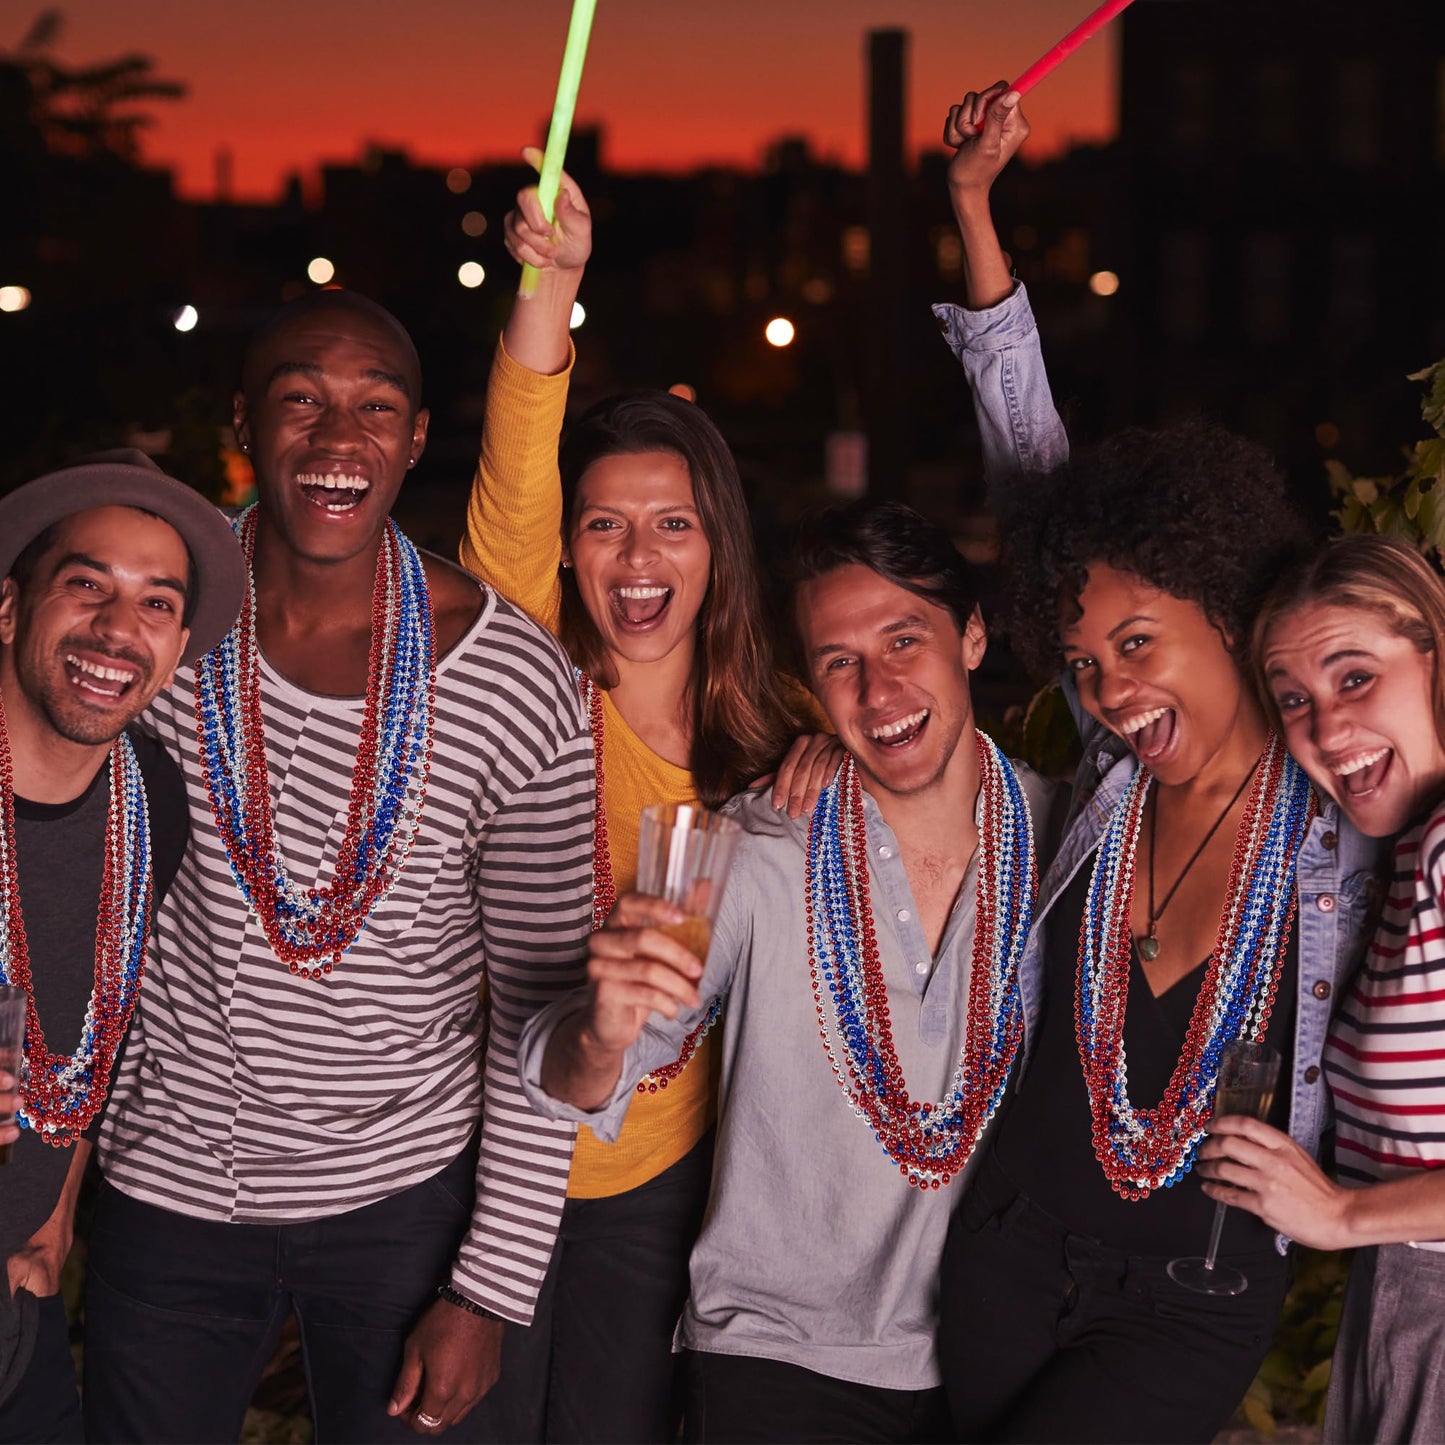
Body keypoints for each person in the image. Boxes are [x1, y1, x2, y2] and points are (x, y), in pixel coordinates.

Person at [931, 84, 1380, 1442]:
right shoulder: (1105, 794)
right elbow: (1034, 484)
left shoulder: (1341, 819)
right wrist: (970, 209)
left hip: (1196, 1282)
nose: (1111, 691)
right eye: (1083, 665)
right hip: (1006, 1249)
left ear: (1227, 611)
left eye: (1138, 642)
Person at [81, 292, 597, 1443]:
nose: (334, 437)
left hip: (401, 1198)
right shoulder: (151, 619)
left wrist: (486, 1288)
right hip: (166, 1182)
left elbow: (539, 1005)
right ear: (246, 422)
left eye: (375, 408)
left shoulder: (514, 678)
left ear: (415, 440)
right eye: (300, 399)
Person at [519, 499, 1060, 1445]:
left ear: (972, 635)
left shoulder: (1074, 844)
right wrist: (600, 1029)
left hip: (996, 1357)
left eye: (904, 641)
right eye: (838, 662)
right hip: (774, 1362)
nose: (878, 690)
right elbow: (571, 1082)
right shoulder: (758, 844)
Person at [457, 155, 829, 1441]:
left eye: (671, 523)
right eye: (604, 524)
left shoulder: (778, 737)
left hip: (657, 1185)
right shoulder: (530, 676)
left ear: (715, 539)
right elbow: (515, 463)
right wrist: (551, 282)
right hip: (490, 1158)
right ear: (566, 547)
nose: (636, 555)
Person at [0, 450, 245, 1443]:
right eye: (86, 585)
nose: (115, 628)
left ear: (180, 642)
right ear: (9, 607)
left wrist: (57, 1194)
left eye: (154, 603)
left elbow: (103, 1010)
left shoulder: (151, 799)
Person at [1198, 536, 1445, 1443]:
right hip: (1395, 1303)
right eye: (1293, 698)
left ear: (1434, 657)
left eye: (1353, 678)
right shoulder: (1403, 856)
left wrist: (1339, 1211)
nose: (1326, 731)